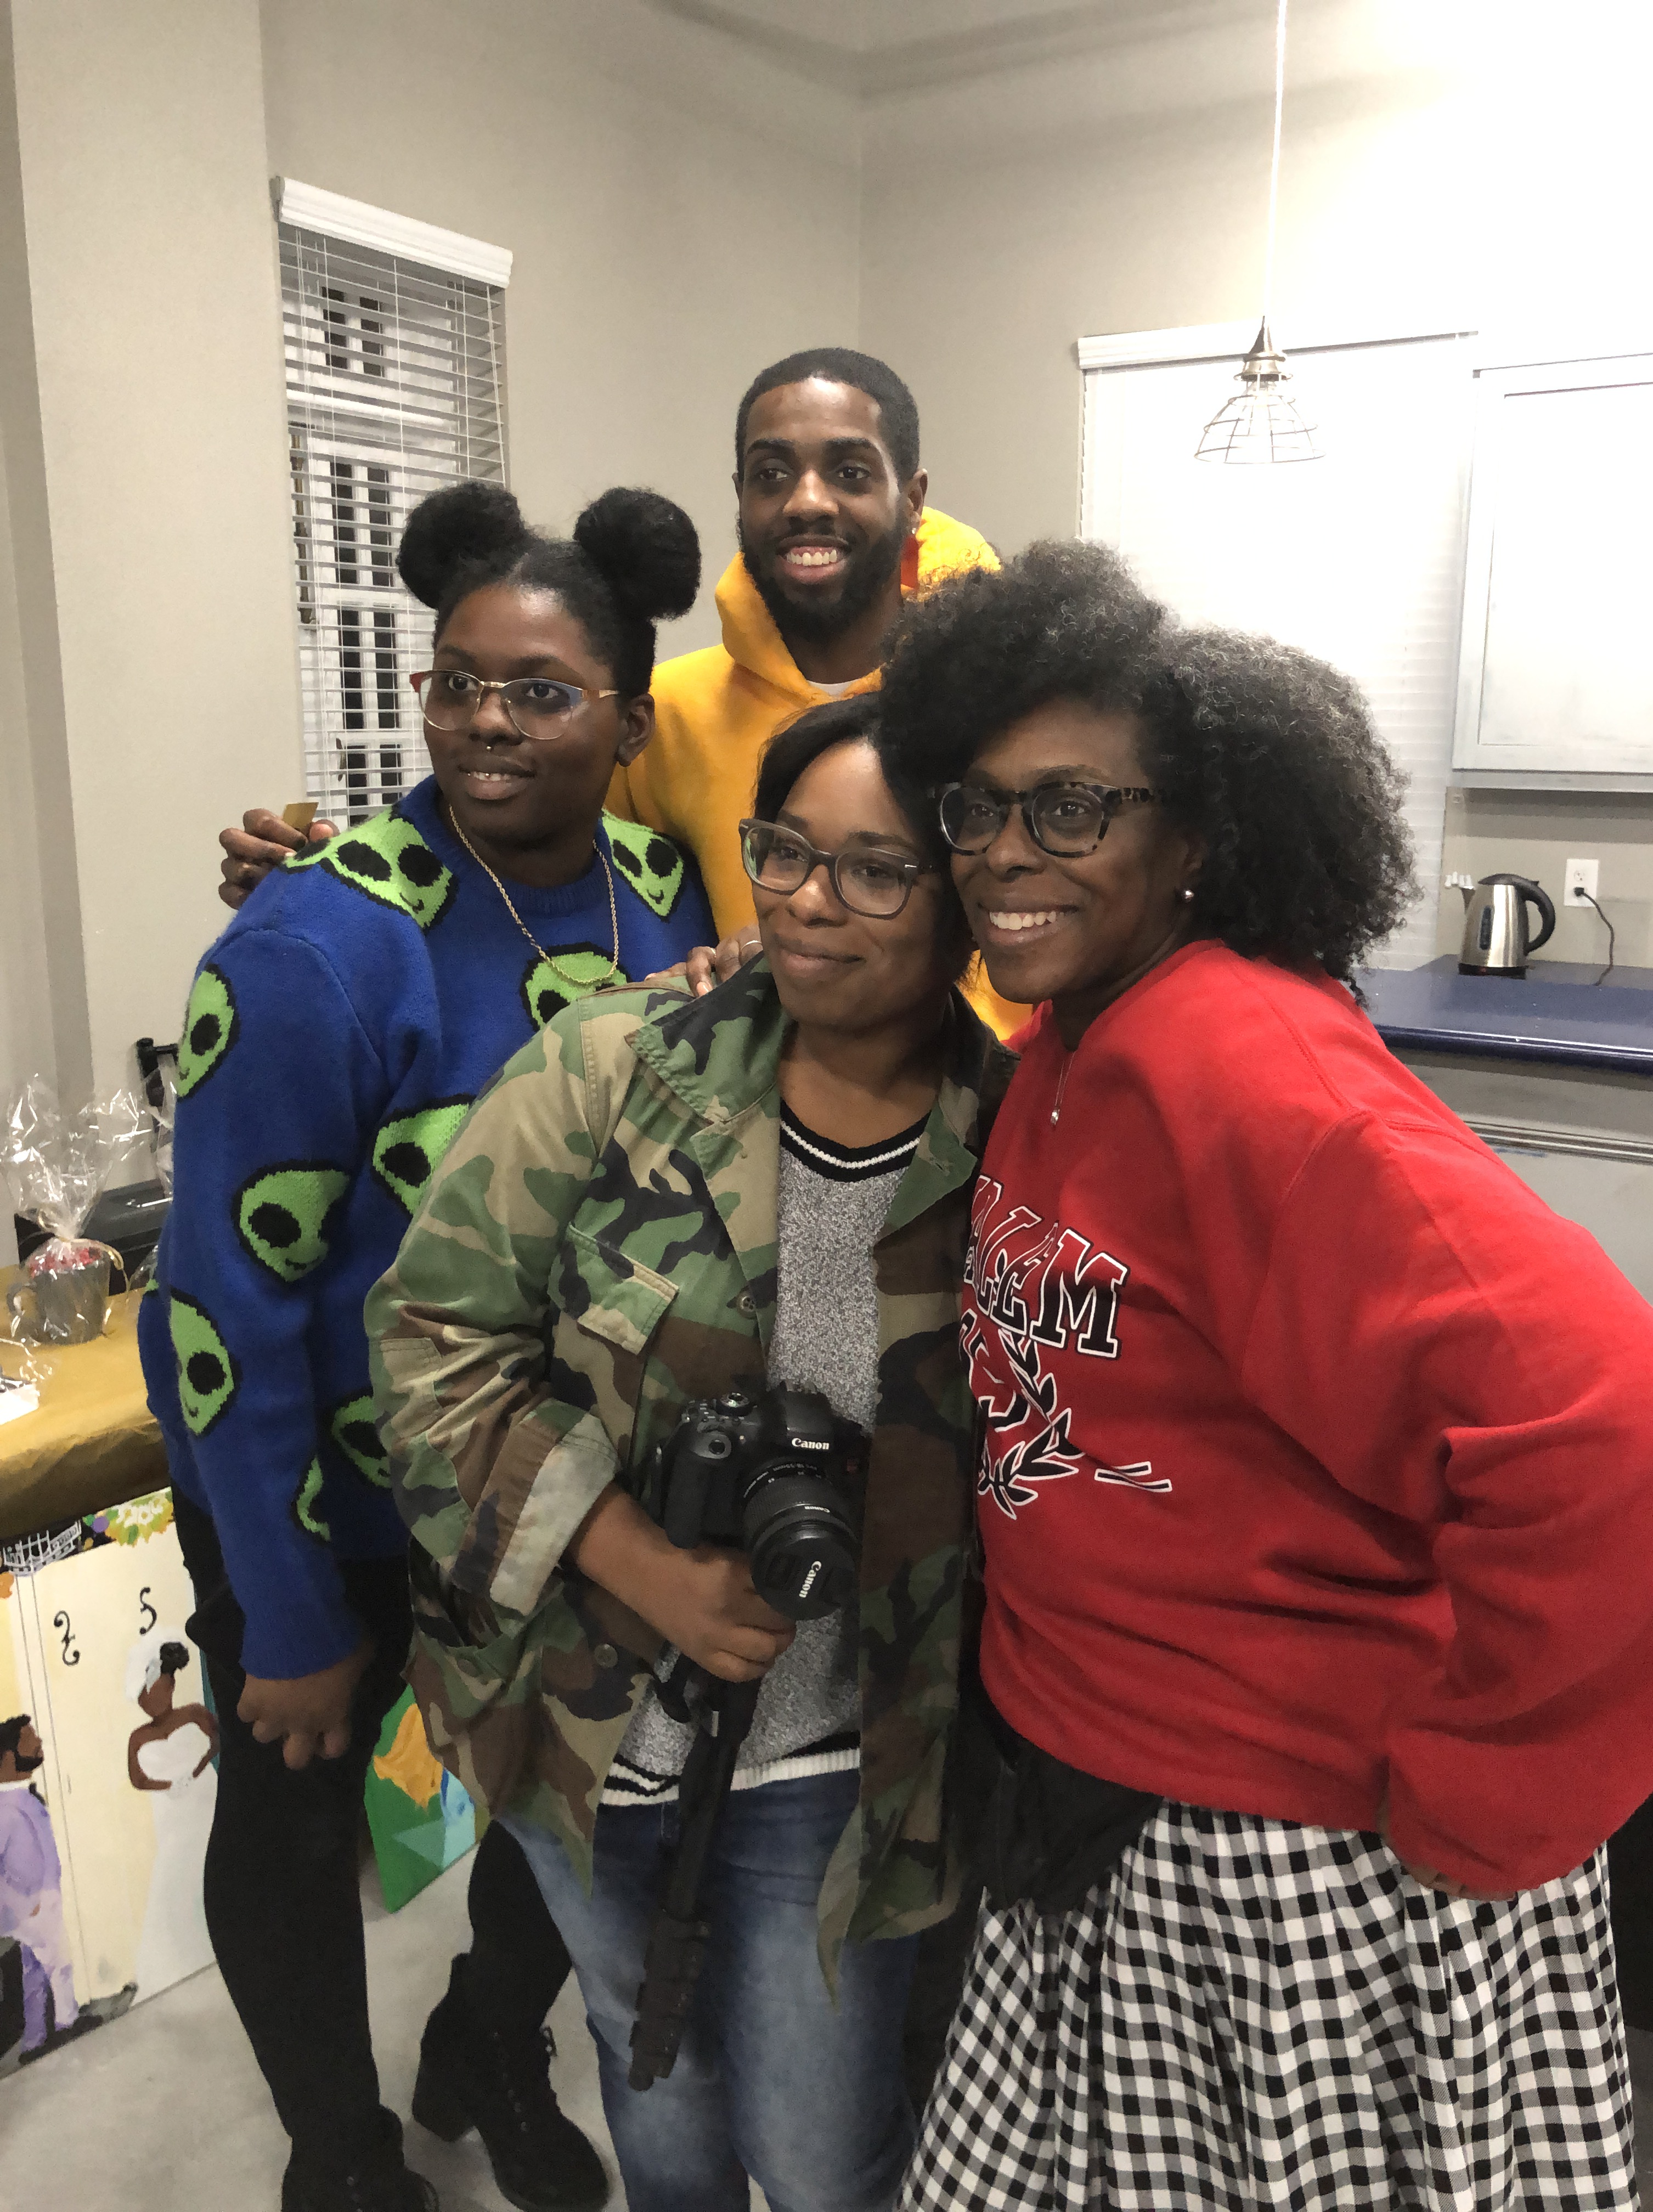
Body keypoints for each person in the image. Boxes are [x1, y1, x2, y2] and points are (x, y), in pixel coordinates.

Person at [876, 541, 1653, 2212]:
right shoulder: (1075, 1041)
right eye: (976, 808)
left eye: (1071, 807)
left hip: (1279, 1856)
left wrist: (1489, 1788)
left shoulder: (1245, 1065)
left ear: (1196, 839)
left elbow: (1610, 1423)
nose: (1005, 851)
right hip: (1102, 1794)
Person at [138, 479, 709, 2212]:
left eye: (539, 691)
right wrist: (294, 1614)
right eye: (455, 682)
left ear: (629, 722)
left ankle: (485, 2045)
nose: (485, 722)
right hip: (323, 1489)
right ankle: (339, 2152)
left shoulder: (667, 897)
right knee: (299, 1816)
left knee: (564, 1804)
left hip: (548, 1479)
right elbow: (221, 1307)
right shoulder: (314, 942)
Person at [367, 695, 1017, 2212]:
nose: (808, 900)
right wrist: (639, 1562)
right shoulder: (613, 1069)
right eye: (786, 851)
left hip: (847, 1756)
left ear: (964, 903)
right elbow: (428, 1341)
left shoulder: (1020, 1144)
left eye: (875, 871)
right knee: (650, 2081)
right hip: (578, 1729)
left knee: (821, 2152)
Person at [214, 347, 1024, 1035]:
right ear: (741, 496)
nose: (806, 501)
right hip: (743, 1128)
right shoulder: (669, 712)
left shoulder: (1004, 708)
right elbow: (524, 854)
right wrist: (332, 885)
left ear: (911, 498)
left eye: (848, 471)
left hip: (998, 1117)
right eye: (772, 473)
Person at [126, 1630, 218, 2000]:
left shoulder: (193, 1714)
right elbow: (138, 1778)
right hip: (170, 1813)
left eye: (159, 1690)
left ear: (172, 1686)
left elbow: (218, 1740)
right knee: (176, 1875)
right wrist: (168, 1786)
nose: (152, 1700)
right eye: (146, 1695)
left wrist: (198, 1770)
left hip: (203, 1798)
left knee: (212, 1859)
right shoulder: (138, 1738)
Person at [0, 1714, 94, 2062]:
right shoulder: (5, 1809)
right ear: (8, 1757)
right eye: (30, 1738)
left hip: (41, 1899)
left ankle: (35, 2041)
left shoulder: (23, 1798)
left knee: (35, 1971)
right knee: (59, 1962)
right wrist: (23, 1903)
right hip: (30, 1906)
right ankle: (67, 2022)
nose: (39, 1742)